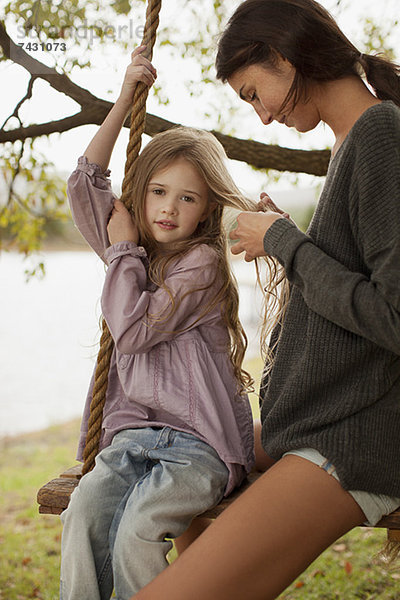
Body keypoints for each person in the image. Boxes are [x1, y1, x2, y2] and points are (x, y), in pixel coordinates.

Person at [131, 1, 400, 598]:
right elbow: (348, 273)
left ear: (284, 59)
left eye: (256, 93)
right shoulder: (350, 143)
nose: (263, 117)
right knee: (197, 461)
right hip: (315, 422)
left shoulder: (381, 133)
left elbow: (393, 316)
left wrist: (284, 242)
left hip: (352, 439)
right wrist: (293, 244)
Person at [59, 45, 262, 600]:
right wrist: (125, 96)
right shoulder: (130, 251)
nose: (168, 208)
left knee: (137, 532)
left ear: (207, 210)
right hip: (130, 438)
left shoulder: (198, 267)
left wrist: (123, 250)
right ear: (142, 192)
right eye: (157, 192)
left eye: (187, 198)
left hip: (198, 446)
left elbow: (134, 329)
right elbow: (85, 181)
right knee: (82, 516)